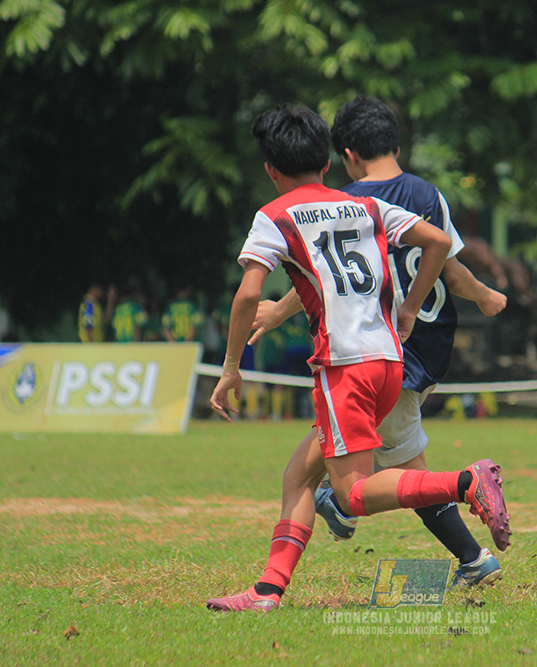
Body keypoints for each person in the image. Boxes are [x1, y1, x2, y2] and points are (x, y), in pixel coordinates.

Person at [206, 104, 510, 612]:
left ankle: (466, 482)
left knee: (354, 495)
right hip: (391, 361)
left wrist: (232, 366)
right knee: (300, 476)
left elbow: (245, 297)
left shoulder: (275, 215)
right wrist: (410, 308)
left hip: (344, 366)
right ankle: (267, 591)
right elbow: (437, 243)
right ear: (327, 162)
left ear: (271, 170)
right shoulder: (363, 207)